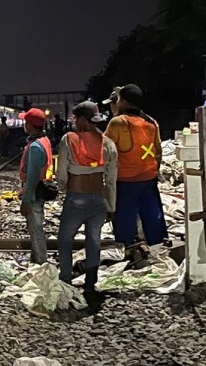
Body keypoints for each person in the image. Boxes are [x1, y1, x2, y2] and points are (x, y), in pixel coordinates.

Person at [56, 101, 117, 301]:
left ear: (82, 119)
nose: (74, 123)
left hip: (76, 198)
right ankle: (90, 283)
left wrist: (63, 188)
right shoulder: (107, 143)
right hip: (98, 199)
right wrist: (111, 205)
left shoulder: (69, 139)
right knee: (93, 241)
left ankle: (66, 280)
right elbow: (110, 179)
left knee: (65, 240)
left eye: (75, 119)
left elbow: (61, 172)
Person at [103, 84, 167, 256]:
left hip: (125, 181)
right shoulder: (152, 122)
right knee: (153, 217)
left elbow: (105, 151)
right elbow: (158, 151)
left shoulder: (117, 122)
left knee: (125, 221)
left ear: (122, 101)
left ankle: (128, 254)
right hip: (148, 178)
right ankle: (158, 250)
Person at [18, 108, 54, 264]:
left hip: (35, 192)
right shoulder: (43, 140)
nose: (24, 125)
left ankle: (41, 263)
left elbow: (32, 177)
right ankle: (36, 258)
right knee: (35, 226)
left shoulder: (35, 147)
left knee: (36, 228)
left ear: (30, 125)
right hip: (41, 188)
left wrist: (26, 200)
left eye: (26, 122)